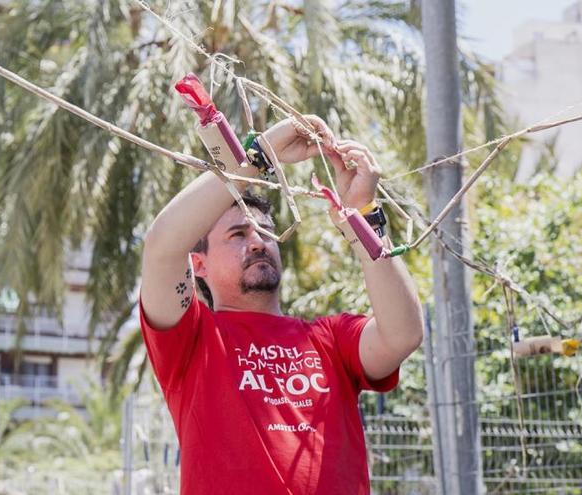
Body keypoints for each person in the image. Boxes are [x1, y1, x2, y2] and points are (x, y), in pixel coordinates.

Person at [139, 115, 423, 494]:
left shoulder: (331, 339)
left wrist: (362, 217)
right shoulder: (192, 338)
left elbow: (403, 334)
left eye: (266, 232)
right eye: (238, 234)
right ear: (199, 264)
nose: (258, 243)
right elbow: (161, 246)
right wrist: (260, 156)